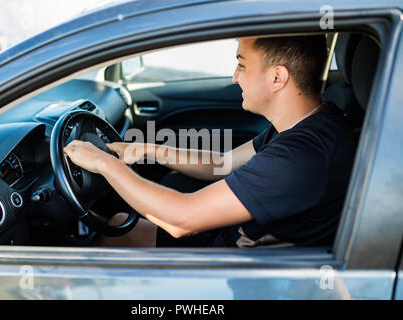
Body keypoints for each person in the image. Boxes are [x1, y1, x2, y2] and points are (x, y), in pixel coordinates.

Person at [63, 35, 356, 248]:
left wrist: (103, 163)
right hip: (228, 241)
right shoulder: (309, 124)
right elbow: (222, 163)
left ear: (277, 77)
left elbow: (180, 220)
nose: (234, 77)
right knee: (116, 225)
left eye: (242, 65)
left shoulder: (299, 156)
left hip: (241, 275)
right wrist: (149, 149)